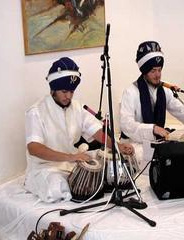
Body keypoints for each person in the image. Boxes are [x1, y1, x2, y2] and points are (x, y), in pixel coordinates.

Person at [24, 57, 134, 203]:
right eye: (64, 91)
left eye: (71, 91)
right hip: (44, 169)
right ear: (53, 89)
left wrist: (117, 146)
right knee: (58, 188)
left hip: (72, 163)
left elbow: (96, 131)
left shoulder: (77, 107)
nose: (68, 96)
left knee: (107, 167)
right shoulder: (36, 111)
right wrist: (71, 157)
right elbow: (34, 148)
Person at [120, 41, 184, 169]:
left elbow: (182, 111)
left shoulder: (165, 90)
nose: (158, 75)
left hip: (157, 142)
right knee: (144, 158)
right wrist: (153, 129)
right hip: (135, 144)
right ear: (144, 71)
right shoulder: (130, 92)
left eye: (159, 70)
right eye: (153, 71)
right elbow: (126, 124)